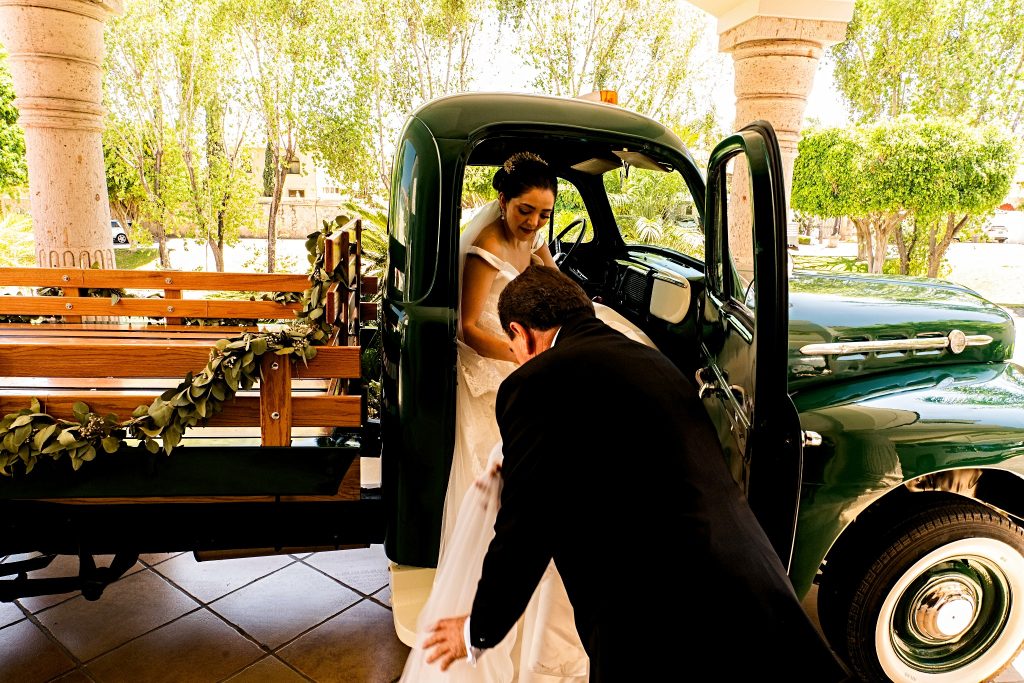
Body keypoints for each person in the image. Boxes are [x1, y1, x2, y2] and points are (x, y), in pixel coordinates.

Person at [421, 266, 852, 682]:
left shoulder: (534, 382)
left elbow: (527, 528)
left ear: (521, 333)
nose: (518, 360)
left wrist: (476, 630)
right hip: (749, 578)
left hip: (658, 610)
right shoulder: (651, 361)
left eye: (514, 349)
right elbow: (622, 457)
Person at [400, 153, 652, 683]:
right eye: (524, 212)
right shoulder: (486, 248)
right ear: (502, 202)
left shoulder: (533, 238)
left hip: (527, 354)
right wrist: (529, 360)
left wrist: (583, 317)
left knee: (541, 489)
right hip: (493, 368)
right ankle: (481, 607)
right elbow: (468, 327)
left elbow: (561, 287)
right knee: (503, 498)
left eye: (543, 213)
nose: (534, 224)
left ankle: (535, 605)